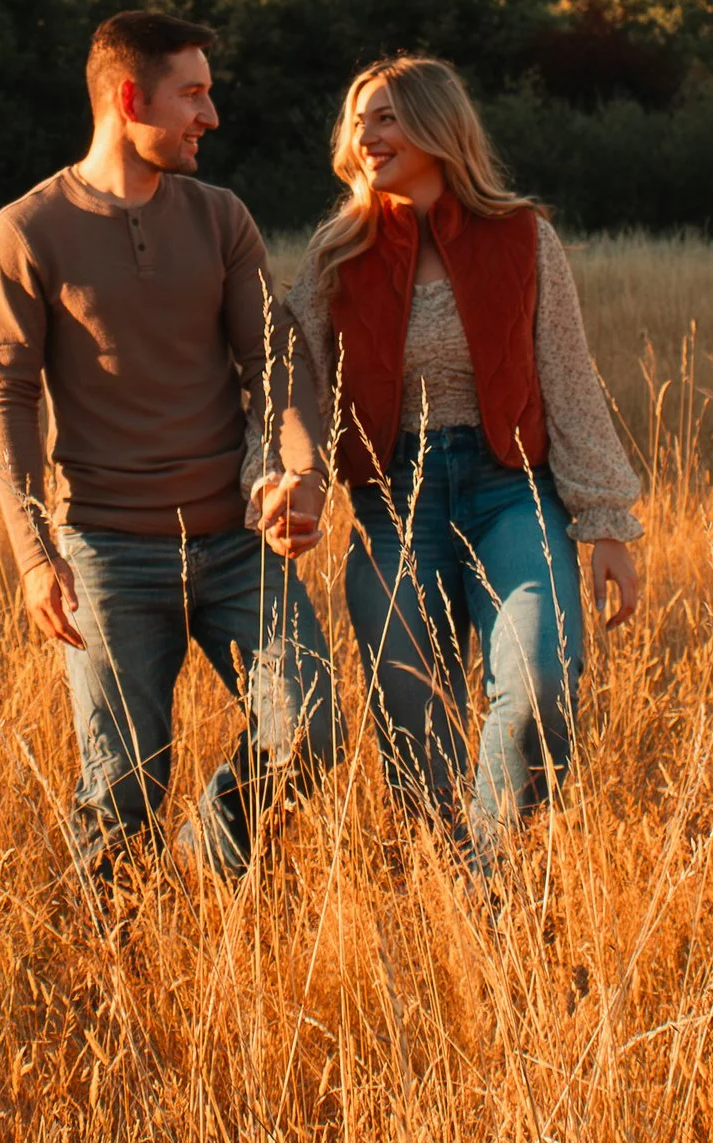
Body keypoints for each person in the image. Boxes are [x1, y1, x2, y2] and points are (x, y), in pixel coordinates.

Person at [0, 10, 337, 882]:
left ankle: (210, 854)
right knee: (123, 788)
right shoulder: (27, 231)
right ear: (129, 97)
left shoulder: (220, 218)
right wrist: (34, 556)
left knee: (310, 729)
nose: (210, 117)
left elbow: (274, 356)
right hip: (105, 552)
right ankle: (117, 974)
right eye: (194, 95)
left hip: (233, 542)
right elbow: (7, 396)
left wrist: (301, 472)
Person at [270, 54, 641, 869]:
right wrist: (284, 480)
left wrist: (607, 522)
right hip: (392, 502)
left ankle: (491, 880)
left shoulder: (523, 238)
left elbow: (569, 376)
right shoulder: (337, 252)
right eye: (359, 119)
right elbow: (287, 376)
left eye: (388, 117)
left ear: (440, 125)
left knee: (541, 686)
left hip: (511, 493)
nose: (366, 135)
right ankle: (445, 912)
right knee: (414, 723)